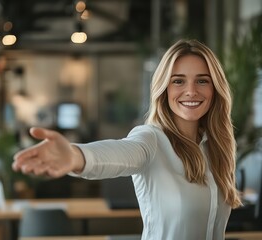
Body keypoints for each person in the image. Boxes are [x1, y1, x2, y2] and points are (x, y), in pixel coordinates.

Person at [12, 39, 242, 240]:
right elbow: (120, 153)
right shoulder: (151, 139)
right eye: (178, 81)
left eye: (202, 80)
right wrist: (75, 156)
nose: (191, 91)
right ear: (164, 89)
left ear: (215, 88)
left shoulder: (217, 146)